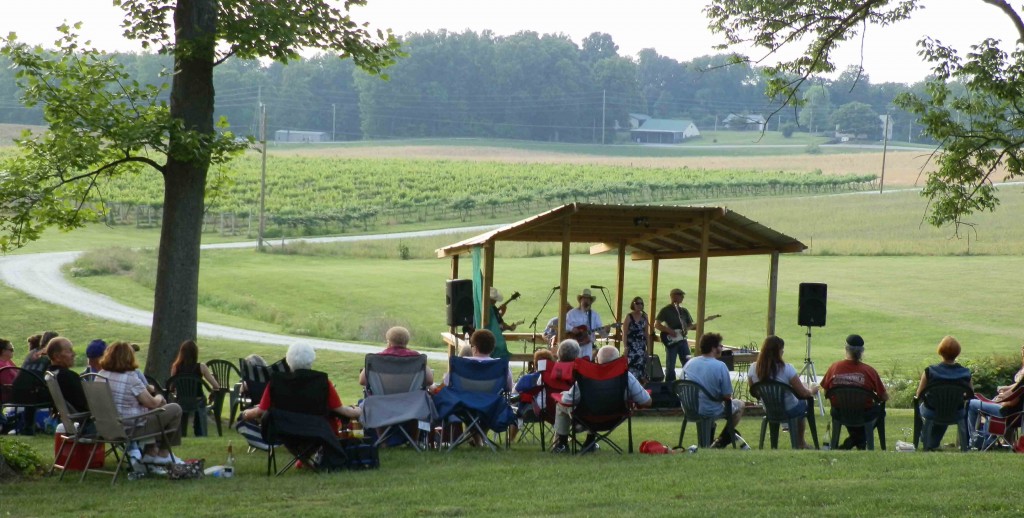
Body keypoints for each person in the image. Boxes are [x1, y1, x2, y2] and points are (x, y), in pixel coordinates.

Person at [240, 343, 361, 468]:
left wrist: (245, 414)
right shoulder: (322, 382)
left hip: (285, 432)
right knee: (330, 417)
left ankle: (303, 460)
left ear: (288, 360)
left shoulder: (276, 382)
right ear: (311, 360)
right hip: (317, 431)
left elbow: (260, 411)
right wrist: (357, 411)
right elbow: (340, 410)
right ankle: (307, 459)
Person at [552, 345, 652, 454]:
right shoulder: (626, 376)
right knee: (596, 405)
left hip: (587, 418)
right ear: (617, 361)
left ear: (597, 360)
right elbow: (646, 401)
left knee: (562, 405)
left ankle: (562, 444)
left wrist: (562, 395)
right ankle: (589, 442)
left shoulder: (587, 375)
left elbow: (567, 400)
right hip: (615, 417)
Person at [98, 341, 183, 466]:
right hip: (130, 428)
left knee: (151, 412)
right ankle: (163, 453)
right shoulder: (131, 378)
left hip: (106, 427)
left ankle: (150, 451)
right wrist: (160, 397)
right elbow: (152, 403)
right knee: (174, 409)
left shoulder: (100, 375)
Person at [747, 335, 819, 449]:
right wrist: (812, 390)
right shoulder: (787, 369)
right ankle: (800, 442)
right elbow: (804, 394)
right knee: (803, 403)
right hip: (789, 409)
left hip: (769, 409)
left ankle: (776, 443)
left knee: (799, 395)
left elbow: (754, 392)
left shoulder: (753, 368)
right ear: (778, 351)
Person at [820, 334, 888, 449]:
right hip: (864, 414)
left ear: (846, 349)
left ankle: (853, 441)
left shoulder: (834, 368)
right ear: (862, 351)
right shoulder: (869, 371)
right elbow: (884, 397)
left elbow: (826, 392)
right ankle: (857, 440)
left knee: (851, 413)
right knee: (880, 412)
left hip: (840, 413)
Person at [681, 332, 746, 448]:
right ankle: (722, 439)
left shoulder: (689, 363)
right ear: (713, 348)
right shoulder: (720, 366)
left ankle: (709, 443)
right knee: (740, 405)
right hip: (708, 409)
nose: (722, 348)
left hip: (689, 408)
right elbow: (727, 395)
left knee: (710, 402)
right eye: (720, 346)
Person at [915, 335, 973, 451]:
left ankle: (925, 437)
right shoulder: (966, 373)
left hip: (932, 411)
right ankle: (932, 442)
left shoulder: (930, 371)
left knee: (923, 407)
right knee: (947, 406)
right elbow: (971, 394)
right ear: (957, 353)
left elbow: (919, 394)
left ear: (940, 351)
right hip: (956, 412)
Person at [967, 343, 1024, 449]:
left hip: (1006, 410)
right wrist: (1006, 390)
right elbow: (1016, 386)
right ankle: (985, 439)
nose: (1022, 351)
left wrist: (1002, 399)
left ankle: (975, 441)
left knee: (971, 404)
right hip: (1014, 411)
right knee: (979, 401)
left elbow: (1014, 399)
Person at [169, 340, 221, 436]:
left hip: (181, 401)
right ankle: (199, 431)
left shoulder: (175, 367)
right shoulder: (201, 367)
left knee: (185, 406)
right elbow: (216, 386)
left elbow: (172, 387)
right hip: (198, 400)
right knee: (200, 404)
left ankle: (182, 432)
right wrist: (212, 392)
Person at [359, 326, 434, 386]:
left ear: (389, 342)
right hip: (411, 402)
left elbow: (362, 381)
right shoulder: (416, 359)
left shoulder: (376, 359)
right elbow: (429, 380)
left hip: (381, 401)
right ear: (407, 342)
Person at [443, 330, 514, 392]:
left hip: (464, 404)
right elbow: (509, 387)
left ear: (475, 348)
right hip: (491, 405)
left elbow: (447, 383)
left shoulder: (461, 363)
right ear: (492, 349)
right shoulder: (500, 366)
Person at [655, 288, 694, 382]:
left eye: (682, 295)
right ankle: (669, 387)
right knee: (670, 365)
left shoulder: (684, 311)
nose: (682, 297)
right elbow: (657, 324)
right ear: (673, 296)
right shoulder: (666, 310)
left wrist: (688, 328)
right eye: (680, 295)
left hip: (683, 340)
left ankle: (687, 384)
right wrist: (668, 330)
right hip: (671, 341)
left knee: (688, 363)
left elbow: (690, 325)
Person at [46, 337, 88, 413]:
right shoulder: (67, 377)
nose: (74, 354)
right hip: (83, 420)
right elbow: (86, 403)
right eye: (69, 351)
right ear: (57, 357)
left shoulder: (50, 374)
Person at [565, 288, 607, 360]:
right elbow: (563, 325)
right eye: (584, 298)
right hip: (574, 345)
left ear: (591, 302)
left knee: (586, 365)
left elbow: (602, 333)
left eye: (588, 299)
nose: (586, 301)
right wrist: (572, 329)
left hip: (588, 345)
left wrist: (606, 330)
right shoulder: (572, 313)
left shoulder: (595, 315)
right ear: (580, 300)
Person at [621, 296, 650, 382]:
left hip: (641, 346)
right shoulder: (629, 316)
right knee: (630, 367)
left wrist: (648, 348)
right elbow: (624, 333)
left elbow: (646, 333)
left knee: (641, 367)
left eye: (641, 303)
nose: (640, 305)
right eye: (637, 303)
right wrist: (625, 347)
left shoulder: (645, 316)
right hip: (631, 347)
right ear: (633, 304)